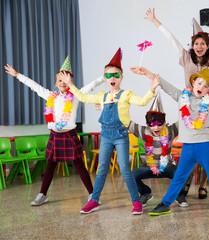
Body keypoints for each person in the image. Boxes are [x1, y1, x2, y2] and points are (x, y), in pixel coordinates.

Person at [131, 66, 209, 217]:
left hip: (205, 144)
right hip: (188, 146)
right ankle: (165, 204)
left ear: (208, 91)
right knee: (179, 177)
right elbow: (164, 84)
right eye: (199, 83)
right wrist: (147, 72)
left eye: (205, 86)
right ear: (193, 84)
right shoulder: (181, 97)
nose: (201, 87)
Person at [145, 7, 209, 198]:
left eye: (203, 44)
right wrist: (155, 21)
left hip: (208, 110)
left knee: (208, 152)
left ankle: (204, 184)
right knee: (190, 149)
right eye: (196, 43)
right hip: (189, 107)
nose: (199, 46)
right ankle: (187, 181)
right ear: (192, 45)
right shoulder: (185, 58)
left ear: (207, 46)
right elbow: (171, 39)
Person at [60, 48, 159, 214]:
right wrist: (70, 84)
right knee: (102, 169)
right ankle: (94, 200)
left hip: (120, 136)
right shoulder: (102, 96)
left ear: (121, 76)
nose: (112, 78)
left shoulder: (126, 94)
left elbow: (142, 102)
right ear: (104, 78)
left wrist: (151, 89)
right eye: (108, 75)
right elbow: (83, 98)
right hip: (106, 136)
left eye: (115, 75)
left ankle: (136, 201)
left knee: (125, 169)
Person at [4, 56, 104, 206]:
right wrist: (18, 75)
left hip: (70, 135)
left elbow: (91, 86)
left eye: (66, 80)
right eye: (59, 80)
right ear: (56, 83)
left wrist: (105, 76)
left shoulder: (75, 96)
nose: (62, 83)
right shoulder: (50, 96)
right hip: (54, 135)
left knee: (79, 164)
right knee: (50, 164)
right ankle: (42, 194)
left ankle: (92, 195)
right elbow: (34, 86)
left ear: (71, 82)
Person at [129, 93, 188, 207]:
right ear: (147, 124)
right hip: (149, 167)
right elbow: (127, 123)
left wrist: (187, 104)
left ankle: (179, 195)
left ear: (164, 123)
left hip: (168, 166)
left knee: (183, 172)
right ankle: (146, 193)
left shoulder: (171, 130)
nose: (156, 128)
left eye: (160, 124)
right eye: (152, 124)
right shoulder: (144, 131)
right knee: (131, 175)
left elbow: (183, 120)